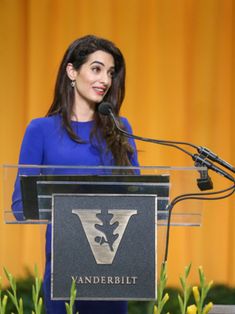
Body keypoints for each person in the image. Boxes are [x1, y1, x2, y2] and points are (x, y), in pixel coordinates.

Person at [12, 35, 139, 313]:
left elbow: (138, 199)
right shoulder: (40, 130)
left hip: (113, 265)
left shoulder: (121, 128)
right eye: (96, 68)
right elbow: (21, 206)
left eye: (110, 72)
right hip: (64, 266)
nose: (105, 79)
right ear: (72, 71)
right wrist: (71, 208)